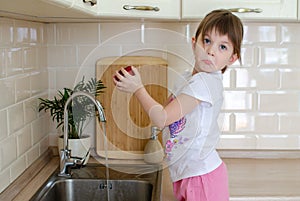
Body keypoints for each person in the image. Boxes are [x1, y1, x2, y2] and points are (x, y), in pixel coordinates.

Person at [113, 9, 244, 201]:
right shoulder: (186, 78)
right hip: (186, 174)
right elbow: (165, 119)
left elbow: (162, 117)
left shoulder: (205, 83)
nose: (211, 51)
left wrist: (138, 89)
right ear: (194, 43)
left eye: (223, 47)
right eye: (206, 41)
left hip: (201, 178)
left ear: (232, 58)